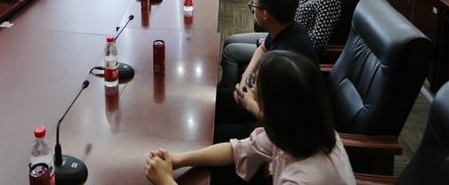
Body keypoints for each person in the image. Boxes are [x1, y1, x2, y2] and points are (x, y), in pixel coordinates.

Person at [145, 51, 355, 185]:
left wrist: (165, 181)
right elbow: (238, 149)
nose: (252, 91)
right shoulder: (301, 126)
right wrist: (178, 160)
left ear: (273, 107)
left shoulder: (301, 180)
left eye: (256, 86)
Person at [215, 0, 318, 142]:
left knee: (217, 133)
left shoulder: (284, 63)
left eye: (253, 6)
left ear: (265, 14)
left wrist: (250, 104)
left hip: (285, 132)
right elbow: (263, 48)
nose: (252, 8)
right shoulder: (287, 28)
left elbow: (282, 123)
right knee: (214, 100)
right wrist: (246, 76)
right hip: (265, 103)